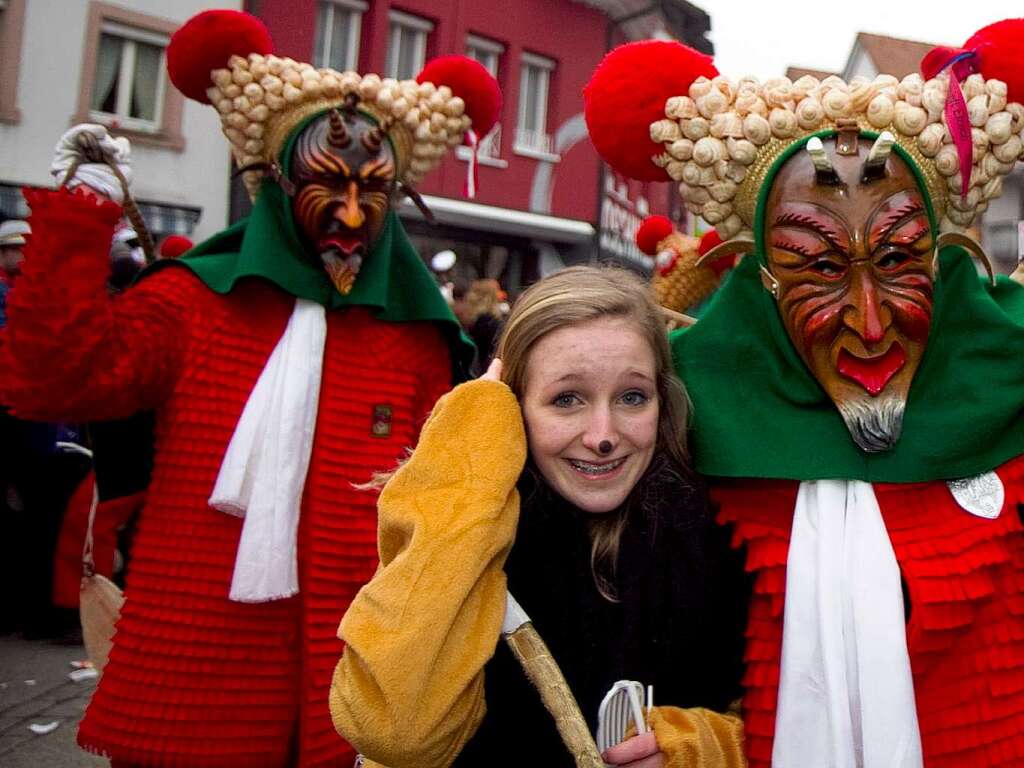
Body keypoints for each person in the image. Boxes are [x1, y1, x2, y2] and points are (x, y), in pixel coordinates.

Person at [0, 9, 499, 768]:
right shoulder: (191, 302)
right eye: (325, 185)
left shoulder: (420, 336)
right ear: (273, 183)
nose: (353, 214)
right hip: (195, 677)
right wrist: (81, 220)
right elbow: (51, 378)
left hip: (358, 684)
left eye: (376, 190)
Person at [584, 19, 1024, 768]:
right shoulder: (677, 431)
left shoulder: (1011, 389)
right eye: (816, 269)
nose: (871, 319)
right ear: (759, 282)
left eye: (897, 259)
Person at [331, 266, 749, 767]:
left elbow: (794, 728)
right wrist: (469, 453)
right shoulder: (465, 530)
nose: (603, 434)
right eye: (566, 400)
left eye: (631, 397)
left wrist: (697, 749)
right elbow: (396, 733)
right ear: (513, 405)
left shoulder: (718, 538)